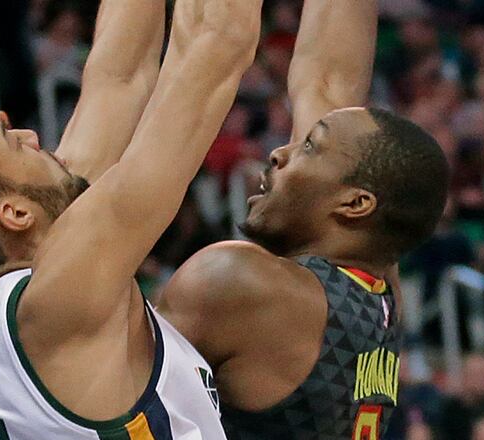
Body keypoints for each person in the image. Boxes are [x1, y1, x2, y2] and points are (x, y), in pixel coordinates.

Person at [0, 0, 263, 438]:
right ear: (15, 214)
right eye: (11, 142)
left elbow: (119, 78)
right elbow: (218, 44)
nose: (30, 135)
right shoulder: (60, 297)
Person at [158, 1, 450, 438]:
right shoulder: (380, 286)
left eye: (309, 146)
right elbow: (329, 87)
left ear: (356, 204)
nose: (279, 153)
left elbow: (94, 398)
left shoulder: (240, 282)